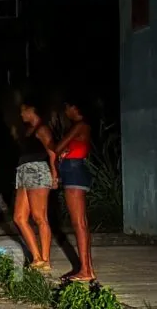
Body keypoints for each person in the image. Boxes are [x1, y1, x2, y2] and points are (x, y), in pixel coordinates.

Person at [54, 99, 96, 282]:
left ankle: (86, 270)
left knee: (78, 222)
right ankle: (86, 268)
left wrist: (61, 152)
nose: (66, 111)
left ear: (74, 107)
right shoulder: (83, 127)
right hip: (74, 170)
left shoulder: (79, 125)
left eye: (67, 107)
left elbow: (57, 147)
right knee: (81, 222)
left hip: (74, 172)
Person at [14, 102, 59, 272]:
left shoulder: (42, 129)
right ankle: (37, 257)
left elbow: (52, 152)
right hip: (24, 171)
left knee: (39, 217)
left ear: (31, 110)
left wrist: (55, 175)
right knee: (19, 217)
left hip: (38, 170)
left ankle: (45, 259)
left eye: (23, 111)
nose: (21, 115)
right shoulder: (28, 131)